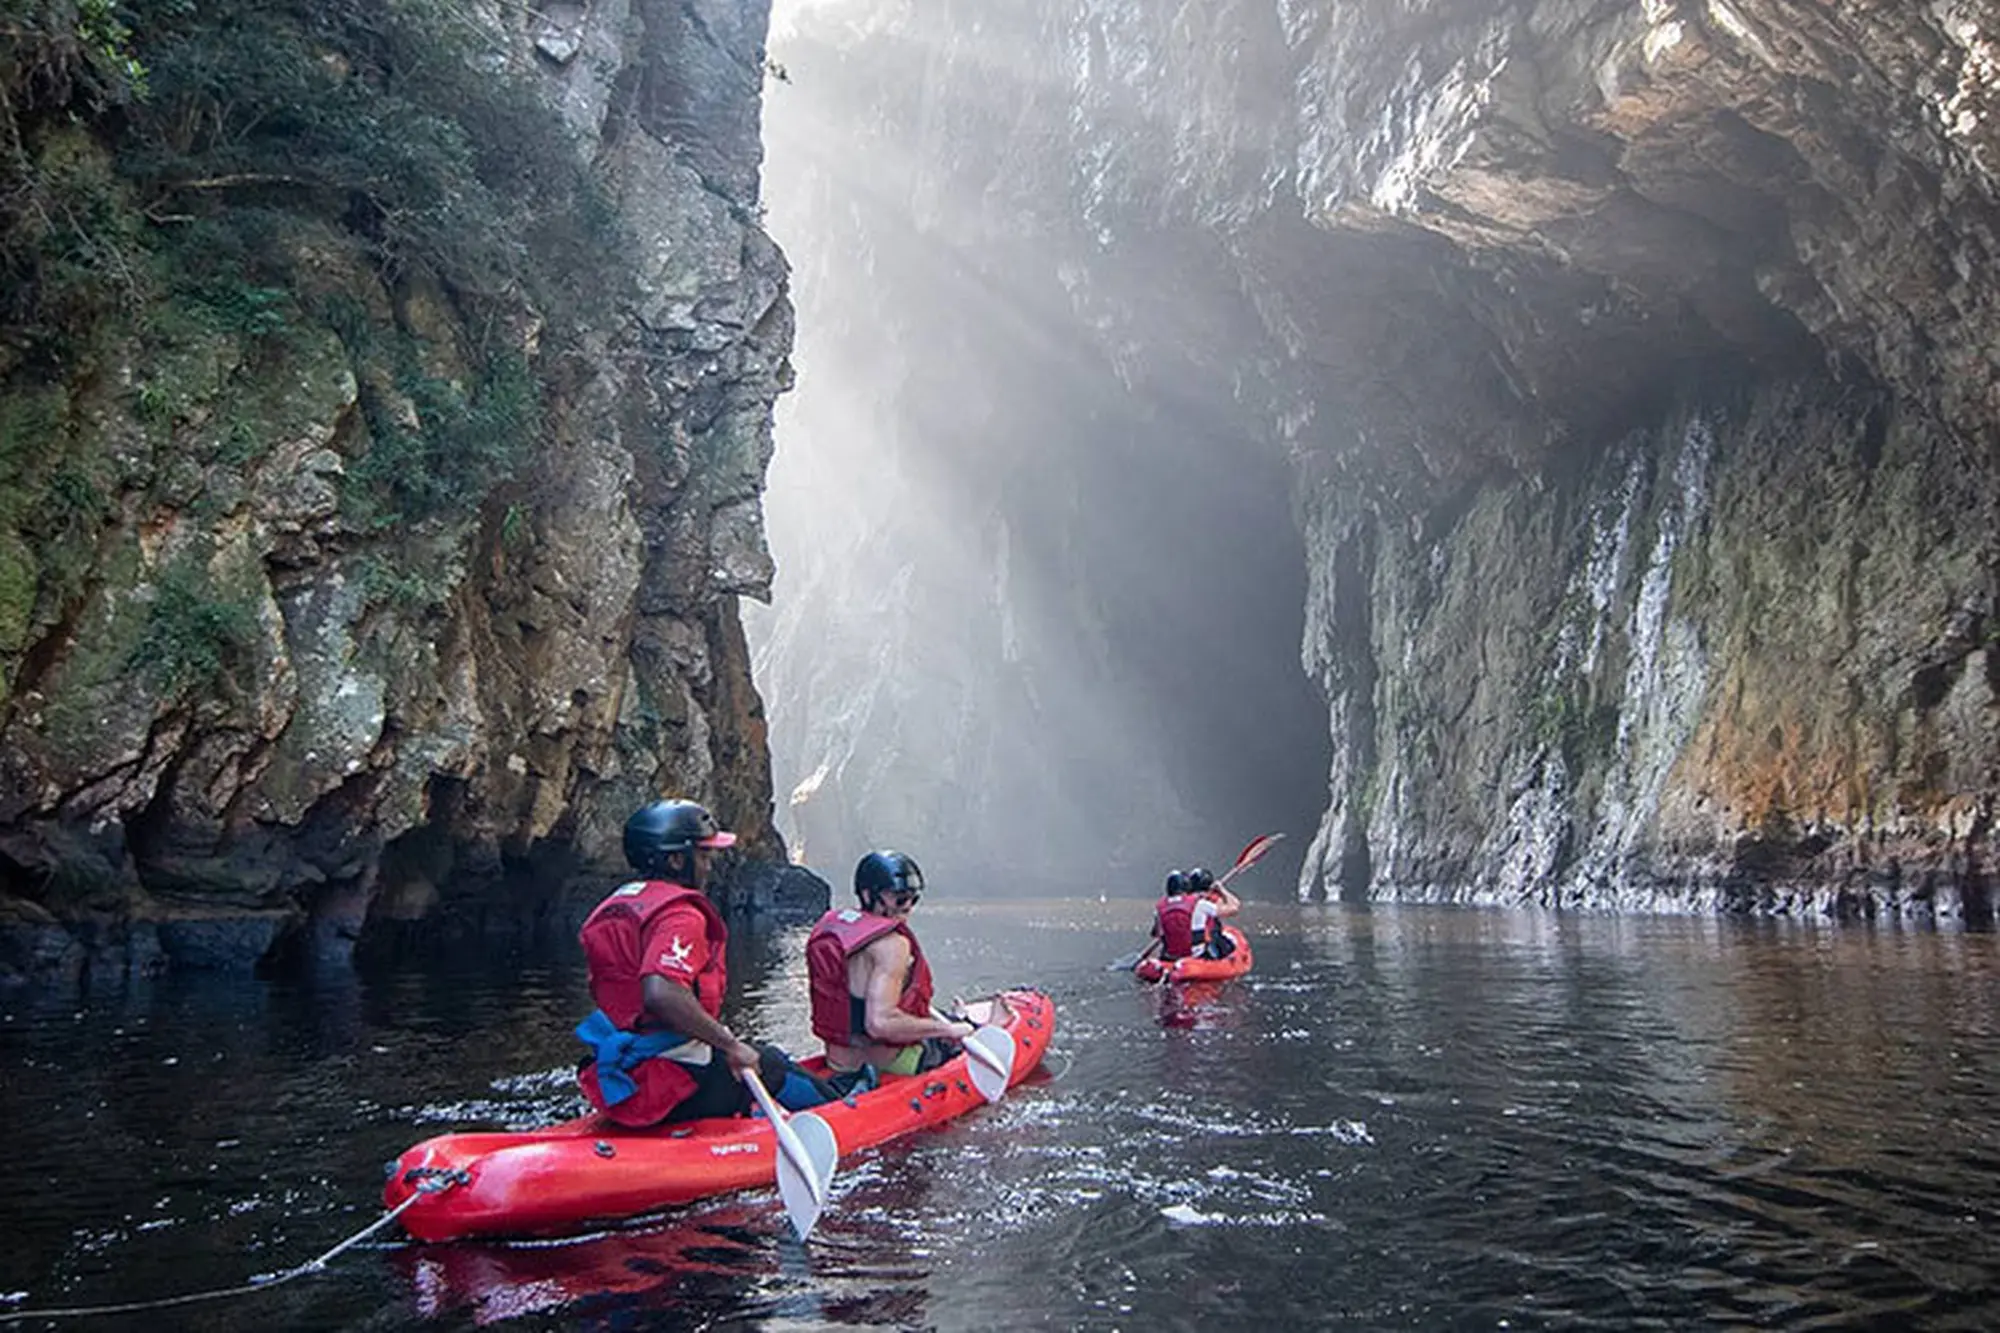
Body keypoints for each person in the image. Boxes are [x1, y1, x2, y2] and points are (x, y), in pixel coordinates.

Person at [574, 798, 832, 1126]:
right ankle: (846, 1115)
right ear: (677, 860)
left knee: (743, 1054)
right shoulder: (681, 916)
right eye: (704, 855)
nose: (710, 866)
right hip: (671, 1087)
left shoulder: (615, 907)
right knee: (770, 1062)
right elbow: (660, 992)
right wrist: (731, 1045)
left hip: (621, 1077)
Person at [806, 849, 974, 1090]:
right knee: (961, 1033)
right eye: (900, 898)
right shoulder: (892, 945)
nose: (908, 907)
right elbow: (880, 1023)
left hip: (840, 1063)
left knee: (946, 1020)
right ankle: (961, 1023)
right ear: (868, 895)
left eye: (914, 898)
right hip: (892, 1063)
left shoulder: (832, 930)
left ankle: (956, 1018)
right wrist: (946, 1030)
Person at [1148, 866, 1240, 963]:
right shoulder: (1199, 903)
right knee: (1228, 943)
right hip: (1196, 955)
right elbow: (1234, 909)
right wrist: (1221, 889)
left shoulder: (1159, 908)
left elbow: (1155, 933)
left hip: (1170, 956)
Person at [1183, 866, 1241, 959]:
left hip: (1184, 946)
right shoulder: (1209, 901)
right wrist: (1222, 889)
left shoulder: (1183, 901)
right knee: (1231, 941)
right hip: (1204, 946)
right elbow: (1235, 907)